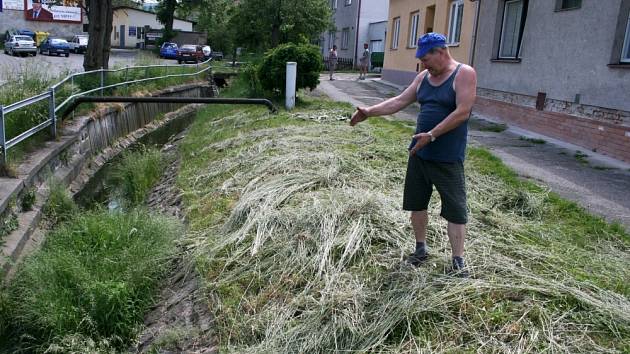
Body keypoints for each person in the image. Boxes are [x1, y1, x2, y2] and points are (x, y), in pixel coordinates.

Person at [349, 32, 477, 276]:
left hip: (447, 157)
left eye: (426, 58)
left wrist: (432, 134)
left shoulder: (464, 74)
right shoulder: (423, 78)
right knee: (417, 204)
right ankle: (421, 249)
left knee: (456, 210)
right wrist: (369, 111)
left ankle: (458, 262)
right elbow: (398, 101)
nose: (423, 64)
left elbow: (463, 112)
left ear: (440, 52)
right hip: (419, 155)